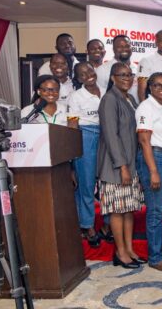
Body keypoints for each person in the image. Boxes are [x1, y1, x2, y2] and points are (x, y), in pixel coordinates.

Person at [97, 62, 143, 269]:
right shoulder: (109, 99)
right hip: (115, 166)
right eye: (122, 74)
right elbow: (111, 136)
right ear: (112, 77)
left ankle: (130, 249)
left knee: (129, 209)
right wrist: (122, 166)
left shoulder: (130, 99)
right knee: (117, 210)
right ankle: (120, 252)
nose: (127, 78)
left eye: (130, 74)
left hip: (131, 163)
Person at [135, 73, 162, 271]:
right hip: (155, 159)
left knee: (160, 209)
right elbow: (144, 141)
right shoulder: (146, 107)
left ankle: (158, 250)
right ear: (150, 87)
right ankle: (155, 257)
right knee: (155, 210)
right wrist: (153, 171)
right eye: (158, 85)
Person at [67, 62, 102, 248]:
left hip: (105, 135)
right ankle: (87, 226)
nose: (88, 74)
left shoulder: (105, 89)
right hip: (86, 135)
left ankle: (108, 224)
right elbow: (72, 126)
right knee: (87, 184)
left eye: (89, 69)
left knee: (105, 182)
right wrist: (73, 157)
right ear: (78, 79)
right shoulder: (75, 96)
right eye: (82, 73)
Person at [96, 35, 139, 103]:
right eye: (119, 47)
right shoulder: (102, 70)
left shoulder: (138, 68)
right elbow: (100, 96)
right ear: (113, 49)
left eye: (127, 46)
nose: (124, 49)